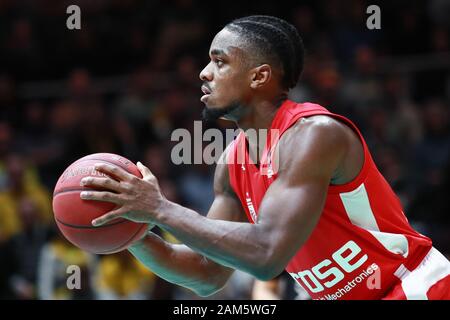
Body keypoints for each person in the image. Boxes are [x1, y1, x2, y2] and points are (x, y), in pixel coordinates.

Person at [79, 15, 450, 300]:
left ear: (260, 77)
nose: (203, 73)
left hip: (413, 288)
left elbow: (267, 253)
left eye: (219, 62)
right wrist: (132, 228)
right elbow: (206, 273)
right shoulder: (230, 164)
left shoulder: (314, 134)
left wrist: (158, 208)